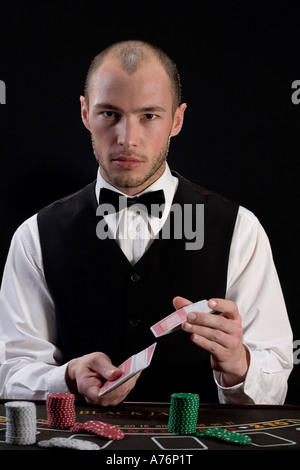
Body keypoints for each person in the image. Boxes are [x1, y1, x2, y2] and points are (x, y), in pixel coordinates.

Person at [0, 40, 293, 406]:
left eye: (149, 116)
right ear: (85, 113)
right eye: (110, 114)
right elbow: (12, 371)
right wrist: (67, 378)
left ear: (177, 119)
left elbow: (276, 379)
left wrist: (239, 366)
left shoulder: (240, 230)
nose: (128, 139)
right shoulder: (34, 236)